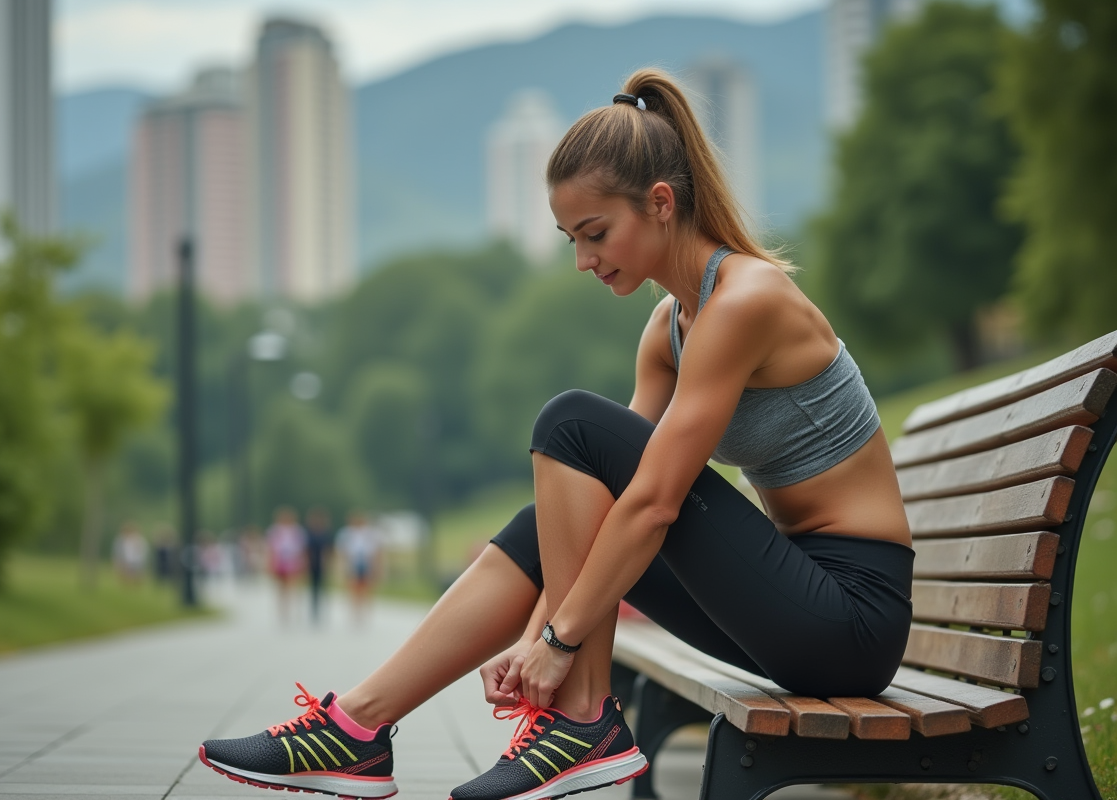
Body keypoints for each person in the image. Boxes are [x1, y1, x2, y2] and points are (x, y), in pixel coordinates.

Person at [197, 69, 913, 800]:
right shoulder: (668, 329)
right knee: (555, 509)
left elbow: (653, 503)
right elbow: (601, 506)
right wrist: (537, 628)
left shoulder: (748, 300)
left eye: (596, 234)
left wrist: (556, 641)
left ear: (660, 203)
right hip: (786, 611)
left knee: (570, 422)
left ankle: (581, 722)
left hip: (849, 619)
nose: (583, 260)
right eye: (572, 238)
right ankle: (355, 727)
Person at [335, 511, 384, 624]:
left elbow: (377, 551)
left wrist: (378, 567)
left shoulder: (371, 534)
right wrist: (342, 567)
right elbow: (342, 552)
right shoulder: (346, 533)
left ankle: (363, 614)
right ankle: (354, 613)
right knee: (353, 588)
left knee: (366, 589)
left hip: (367, 563)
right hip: (353, 564)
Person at [266, 507, 307, 624]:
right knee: (281, 588)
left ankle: (293, 610)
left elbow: (302, 549)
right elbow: (271, 549)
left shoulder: (297, 531)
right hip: (280, 561)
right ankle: (283, 611)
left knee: (292, 586)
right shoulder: (275, 531)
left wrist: (302, 563)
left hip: (293, 561)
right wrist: (270, 563)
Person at [304, 507, 333, 623]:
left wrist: (328, 562)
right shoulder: (309, 534)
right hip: (312, 564)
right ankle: (314, 611)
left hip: (323, 563)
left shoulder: (326, 533)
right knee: (313, 588)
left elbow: (329, 549)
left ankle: (322, 611)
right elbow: (306, 549)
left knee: (323, 588)